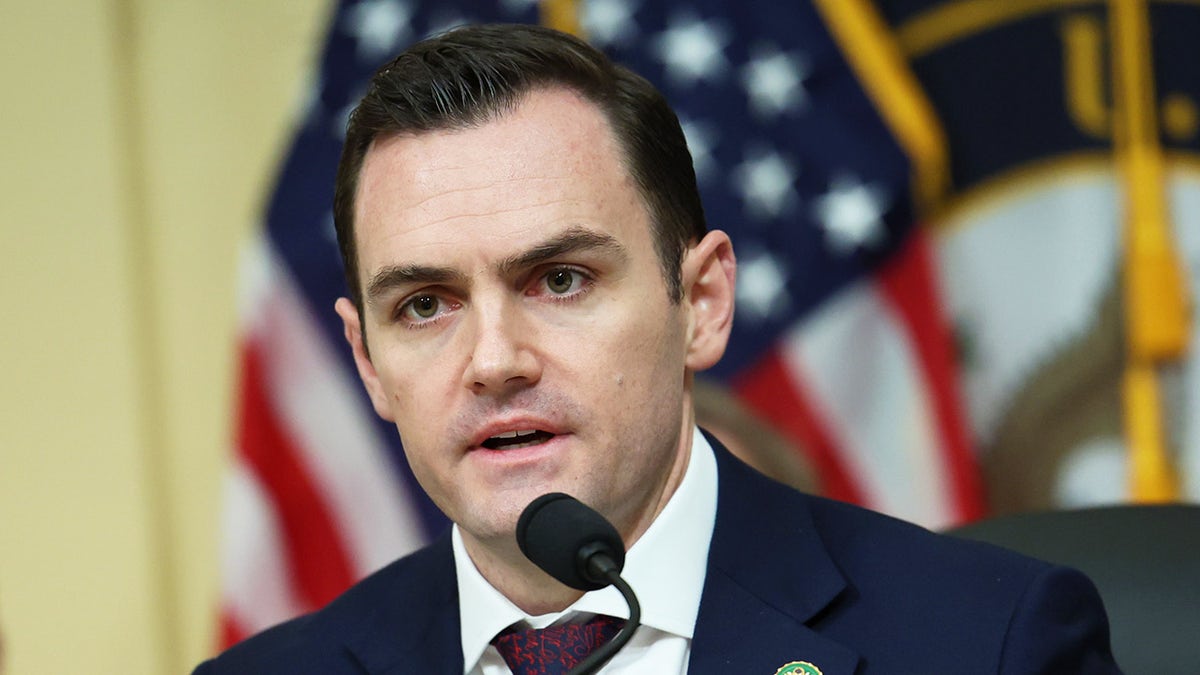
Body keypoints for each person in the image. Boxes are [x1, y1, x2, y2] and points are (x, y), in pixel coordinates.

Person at [195, 23, 1120, 674]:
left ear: (703, 303)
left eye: (560, 279)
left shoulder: (989, 642)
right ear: (367, 364)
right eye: (425, 305)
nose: (494, 359)